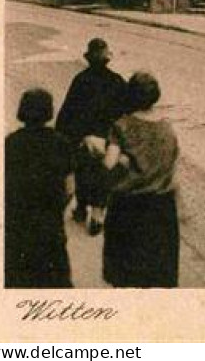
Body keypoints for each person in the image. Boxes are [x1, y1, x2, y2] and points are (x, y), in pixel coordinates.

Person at [102, 72, 180, 288]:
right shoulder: (168, 129)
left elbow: (109, 165)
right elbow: (173, 168)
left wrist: (119, 161)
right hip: (162, 211)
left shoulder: (122, 126)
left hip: (129, 210)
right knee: (157, 280)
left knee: (127, 280)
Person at [56, 38, 126, 236]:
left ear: (88, 59)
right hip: (108, 139)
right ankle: (98, 212)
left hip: (84, 138)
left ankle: (81, 207)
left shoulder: (81, 80)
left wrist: (64, 135)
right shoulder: (117, 81)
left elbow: (67, 112)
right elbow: (126, 111)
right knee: (104, 174)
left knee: (84, 171)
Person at [5, 88, 73, 288]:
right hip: (49, 219)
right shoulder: (61, 143)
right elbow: (69, 188)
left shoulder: (10, 143)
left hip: (18, 220)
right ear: (49, 112)